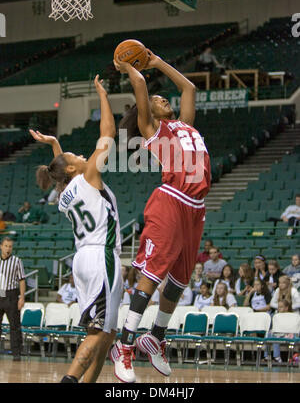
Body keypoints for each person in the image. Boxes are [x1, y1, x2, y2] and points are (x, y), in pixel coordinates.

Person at [110, 50, 211, 383]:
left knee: (180, 280)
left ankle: (155, 336)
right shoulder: (152, 128)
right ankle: (124, 345)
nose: (162, 99)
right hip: (170, 200)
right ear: (147, 111)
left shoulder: (185, 125)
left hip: (196, 208)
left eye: (162, 97)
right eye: (156, 99)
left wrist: (157, 63)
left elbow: (189, 90)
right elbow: (138, 84)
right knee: (154, 273)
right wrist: (129, 65)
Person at [30, 75, 123, 384]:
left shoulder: (63, 195)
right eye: (76, 156)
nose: (83, 156)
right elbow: (108, 133)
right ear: (71, 168)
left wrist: (55, 145)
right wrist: (102, 93)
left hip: (82, 261)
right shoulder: (88, 179)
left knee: (105, 335)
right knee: (99, 333)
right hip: (101, 258)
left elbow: (60, 171)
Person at [0, 237, 25, 361]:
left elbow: (21, 280)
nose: (8, 248)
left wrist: (22, 297)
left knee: (14, 325)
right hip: (0, 293)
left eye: (10, 246)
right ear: (1, 246)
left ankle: (17, 352)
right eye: (6, 246)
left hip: (11, 294)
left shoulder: (16, 261)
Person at [264, 299, 294, 364]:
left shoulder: (291, 316)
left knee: (275, 336)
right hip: (279, 334)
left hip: (288, 335)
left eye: (281, 307)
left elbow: (290, 328)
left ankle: (277, 357)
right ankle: (266, 356)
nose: (279, 309)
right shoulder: (276, 316)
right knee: (269, 334)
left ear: (286, 308)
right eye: (278, 307)